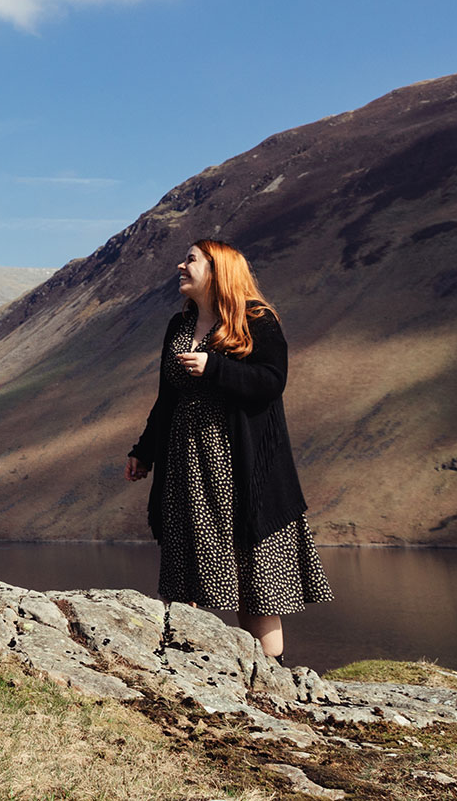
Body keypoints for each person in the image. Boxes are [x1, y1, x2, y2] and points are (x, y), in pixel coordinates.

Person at [126, 239, 331, 658]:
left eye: (191, 260)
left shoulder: (258, 321)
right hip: (186, 468)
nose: (179, 266)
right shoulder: (178, 328)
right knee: (184, 577)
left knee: (256, 583)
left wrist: (215, 367)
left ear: (218, 270)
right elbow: (167, 399)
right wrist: (144, 451)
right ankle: (183, 673)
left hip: (245, 473)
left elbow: (272, 383)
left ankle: (272, 681)